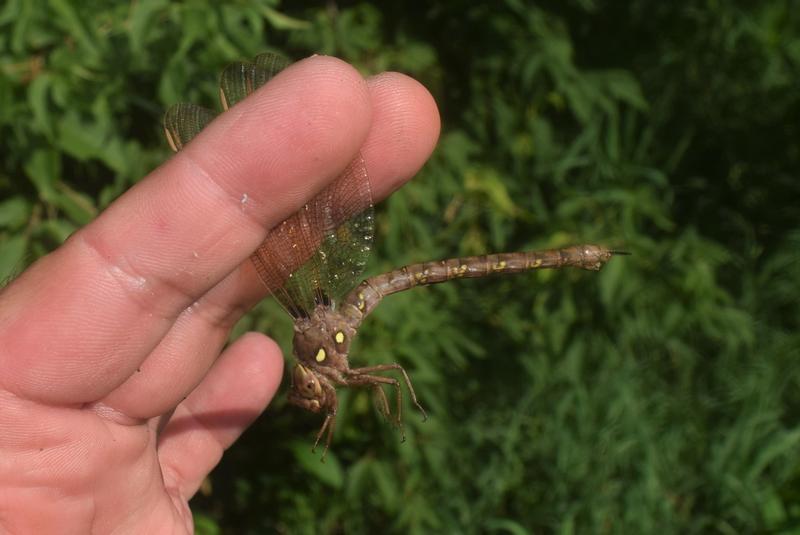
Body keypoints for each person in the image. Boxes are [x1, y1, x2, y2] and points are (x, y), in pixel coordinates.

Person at [0, 55, 440, 533]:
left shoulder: (319, 340)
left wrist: (401, 401)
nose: (312, 392)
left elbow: (391, 375)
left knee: (390, 377)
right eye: (311, 390)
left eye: (309, 389)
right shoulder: (323, 357)